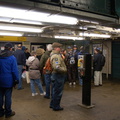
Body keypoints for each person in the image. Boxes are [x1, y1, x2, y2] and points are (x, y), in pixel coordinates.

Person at [0, 42, 19, 118]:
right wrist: (16, 80)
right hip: (8, 80)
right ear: (11, 48)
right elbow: (14, 71)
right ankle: (8, 112)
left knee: (0, 96)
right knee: (8, 97)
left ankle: (0, 112)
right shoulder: (12, 58)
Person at [50, 42, 67, 111]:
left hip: (55, 75)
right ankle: (56, 106)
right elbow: (56, 67)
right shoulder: (56, 56)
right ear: (55, 48)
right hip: (58, 75)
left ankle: (52, 104)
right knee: (58, 91)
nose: (60, 48)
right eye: (59, 47)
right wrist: (64, 70)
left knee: (54, 90)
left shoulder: (54, 55)